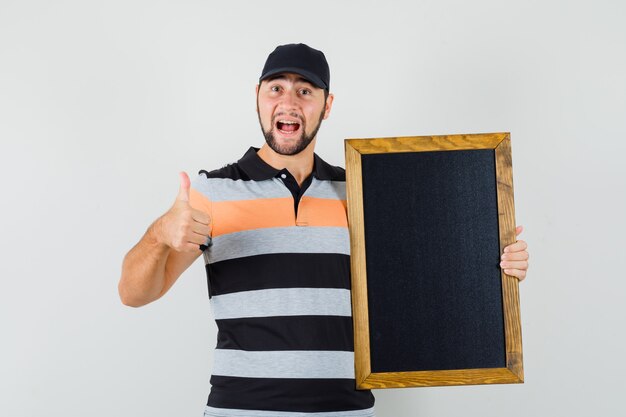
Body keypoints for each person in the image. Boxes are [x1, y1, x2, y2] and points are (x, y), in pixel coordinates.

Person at [118, 43, 530, 417]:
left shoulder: (362, 190)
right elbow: (134, 294)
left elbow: (426, 278)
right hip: (241, 410)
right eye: (276, 88)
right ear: (257, 97)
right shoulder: (212, 192)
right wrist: (158, 236)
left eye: (305, 91)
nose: (289, 101)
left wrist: (494, 264)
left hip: (346, 411)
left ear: (326, 105)